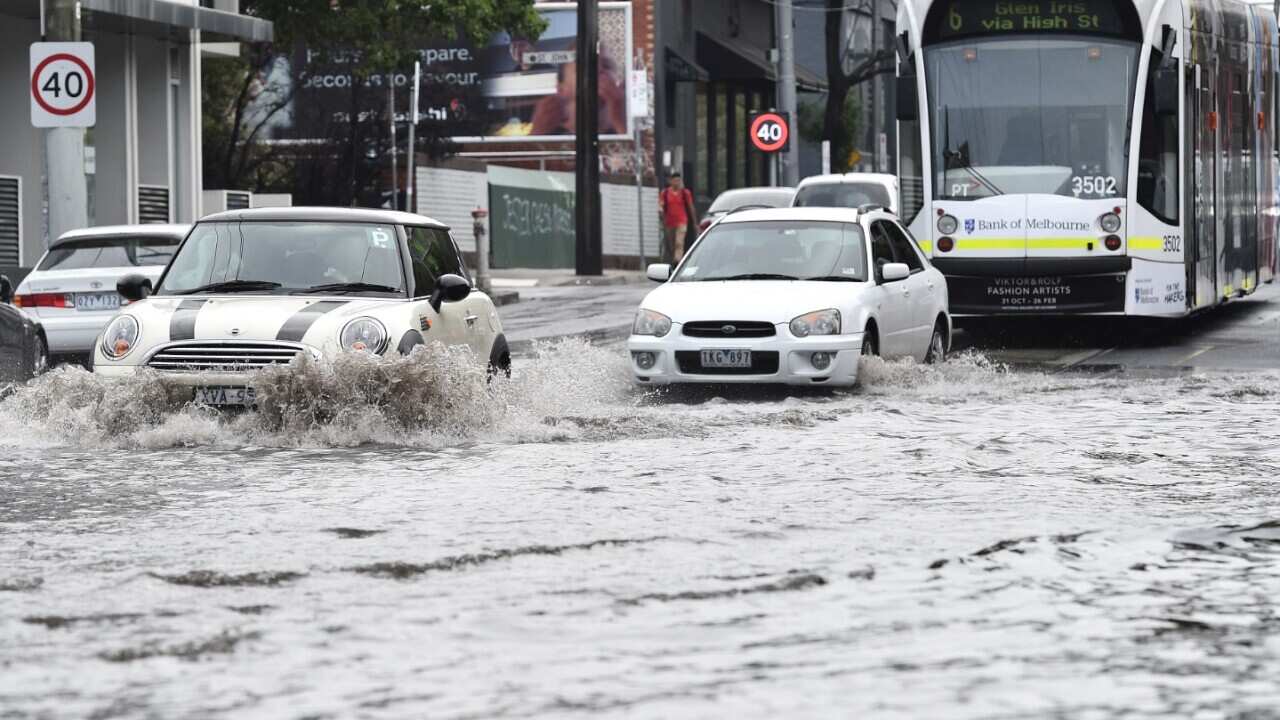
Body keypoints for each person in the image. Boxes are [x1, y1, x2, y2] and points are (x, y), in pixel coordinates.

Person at [659, 173, 698, 263]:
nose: (677, 183)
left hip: (682, 221)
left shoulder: (685, 193)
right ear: (671, 181)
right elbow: (661, 204)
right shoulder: (665, 193)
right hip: (669, 223)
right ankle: (675, 261)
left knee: (679, 242)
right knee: (672, 245)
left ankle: (678, 261)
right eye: (675, 181)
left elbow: (691, 207)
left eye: (679, 181)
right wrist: (660, 210)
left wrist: (694, 222)